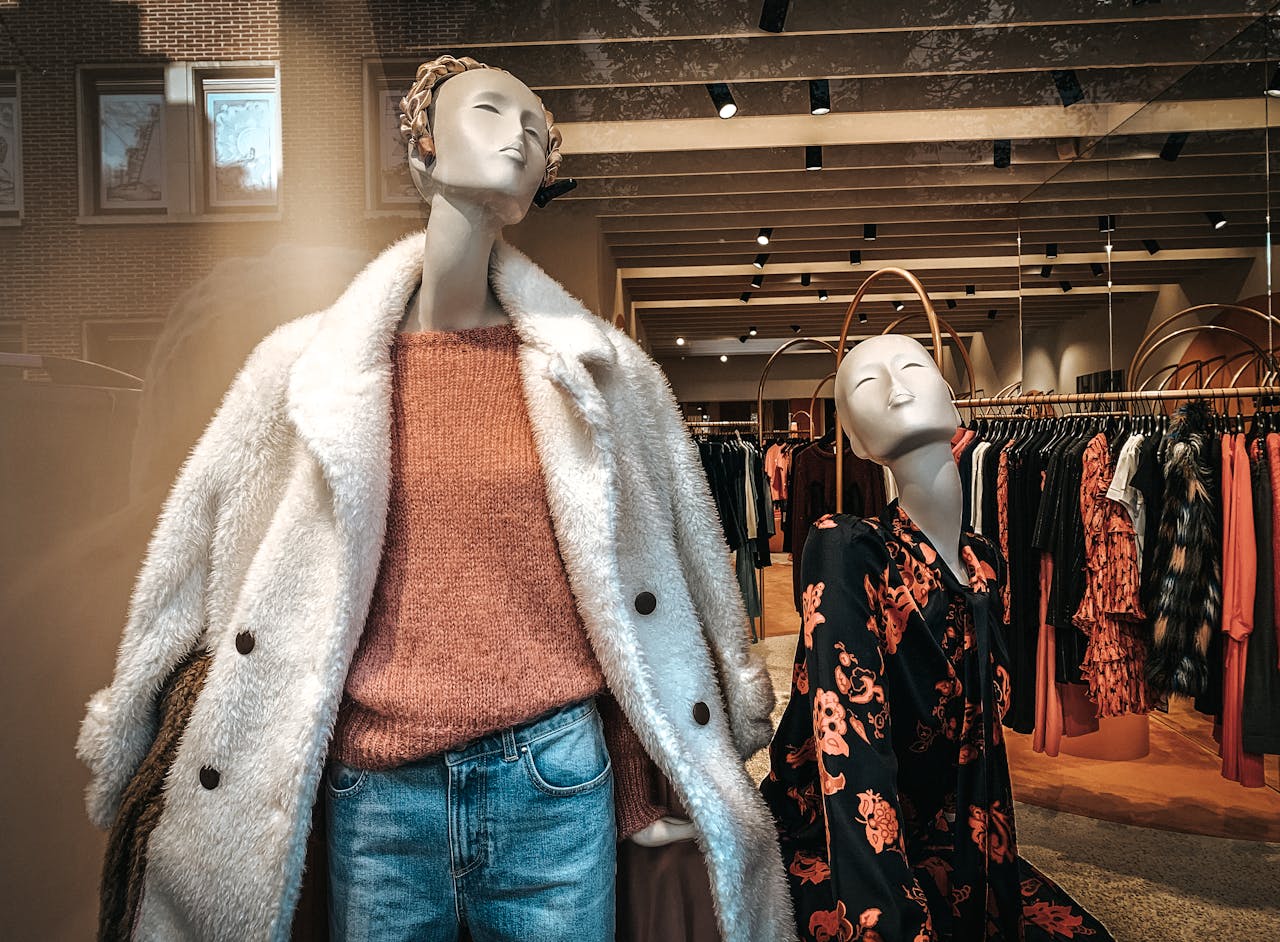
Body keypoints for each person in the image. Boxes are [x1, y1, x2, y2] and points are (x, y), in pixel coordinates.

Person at [78, 54, 790, 942]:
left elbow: (671, 573)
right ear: (421, 146)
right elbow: (192, 551)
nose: (522, 132)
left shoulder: (603, 375)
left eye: (540, 126)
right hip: (375, 791)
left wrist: (663, 759)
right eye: (492, 109)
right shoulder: (304, 372)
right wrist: (135, 721)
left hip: (557, 784)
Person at [762, 334, 1110, 941]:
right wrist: (893, 925)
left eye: (913, 369)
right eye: (868, 385)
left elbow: (985, 760)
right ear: (855, 440)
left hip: (952, 838)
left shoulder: (983, 564)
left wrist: (989, 867)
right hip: (847, 842)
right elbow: (852, 759)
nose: (897, 389)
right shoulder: (846, 549)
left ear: (952, 398)